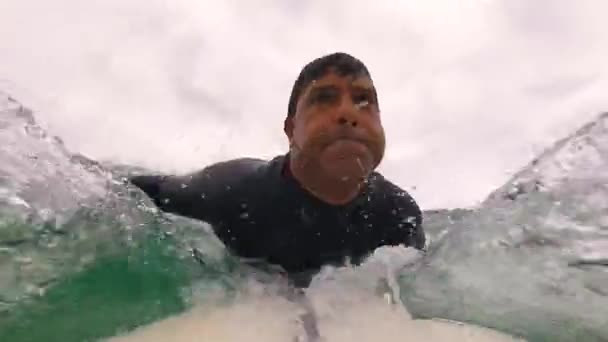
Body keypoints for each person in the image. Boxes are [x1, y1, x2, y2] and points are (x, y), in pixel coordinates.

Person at [130, 52, 425, 289]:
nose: (348, 114)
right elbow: (134, 194)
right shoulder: (232, 191)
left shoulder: (398, 216)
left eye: (364, 101)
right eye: (324, 99)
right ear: (290, 130)